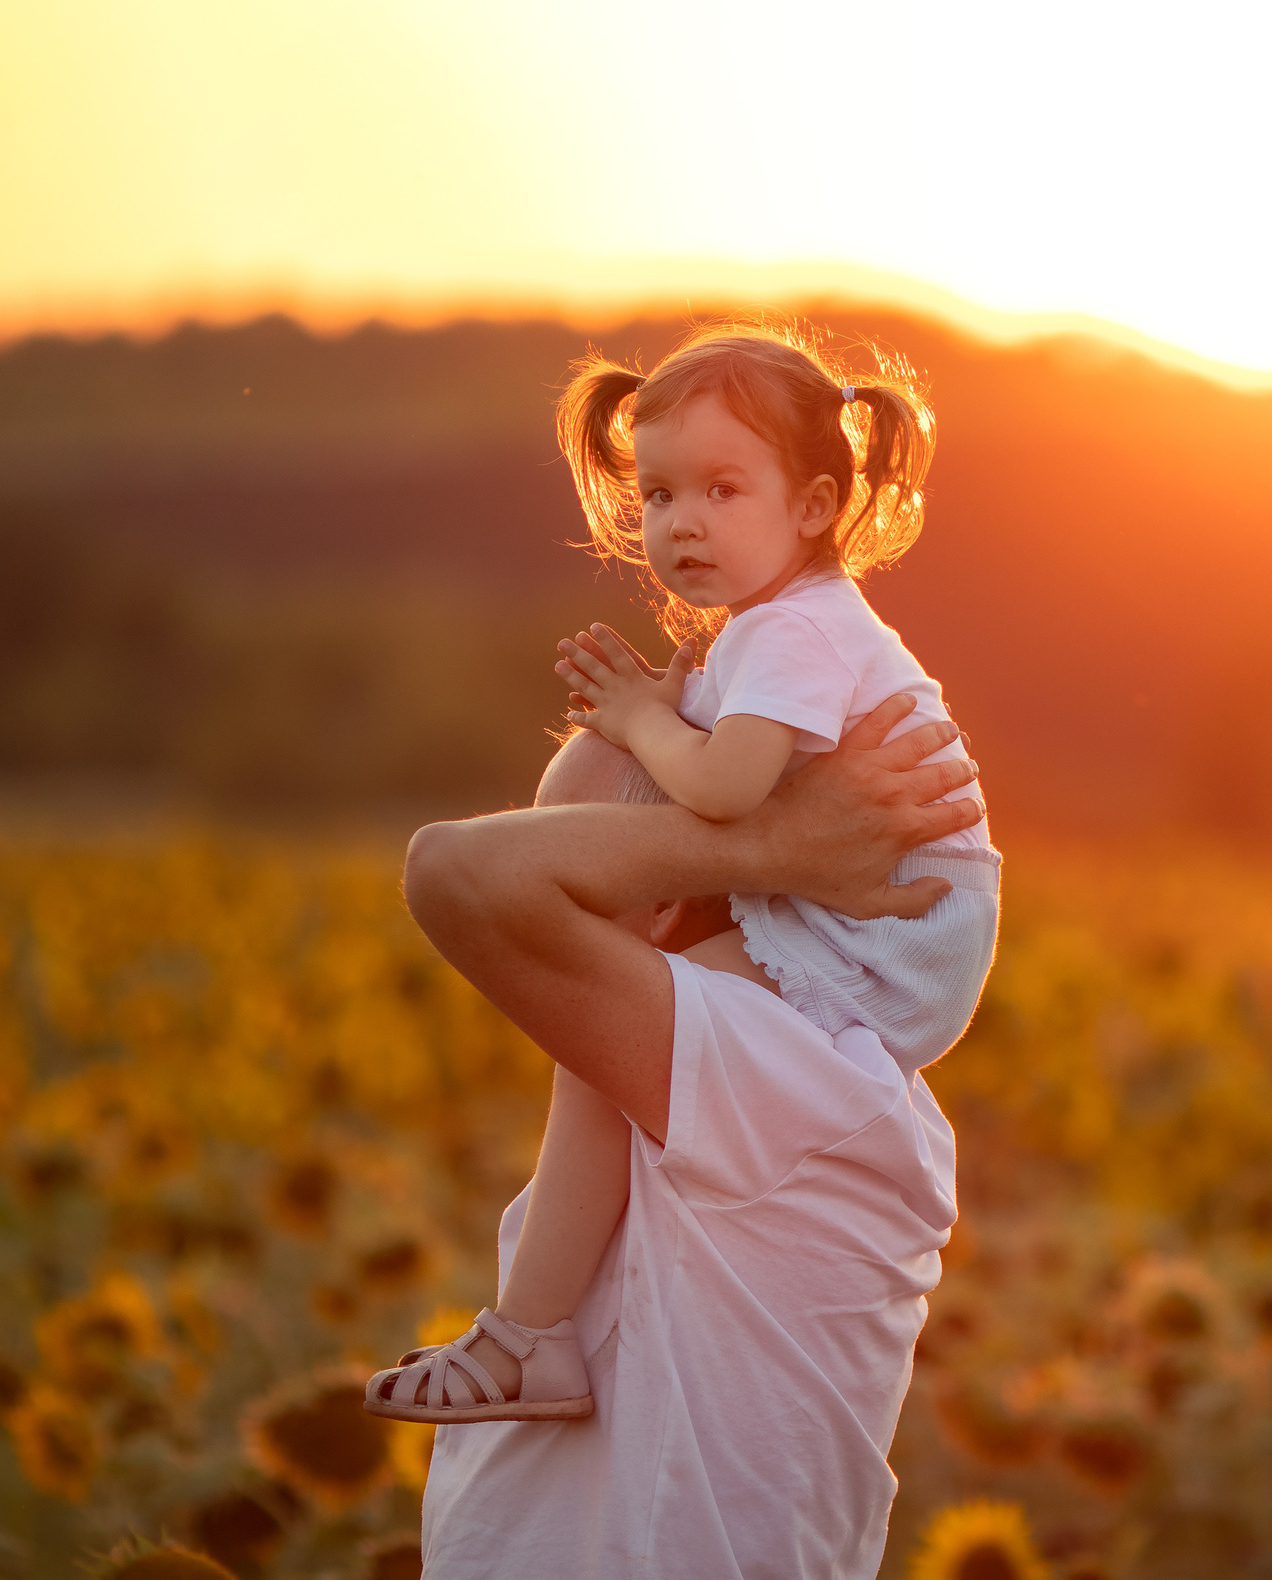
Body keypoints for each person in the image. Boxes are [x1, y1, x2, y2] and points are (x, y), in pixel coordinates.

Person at [367, 325, 1000, 1427]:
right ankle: (534, 1334)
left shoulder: (794, 633)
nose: (683, 523)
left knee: (599, 1053)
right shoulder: (772, 627)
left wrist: (639, 722)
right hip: (865, 930)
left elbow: (723, 791)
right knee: (602, 1038)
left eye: (720, 488)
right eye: (659, 495)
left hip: (877, 948)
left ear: (810, 508)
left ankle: (528, 1337)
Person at [405, 699, 983, 1575]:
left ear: (664, 894)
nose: (550, 874)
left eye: (572, 848)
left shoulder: (783, 1065)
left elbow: (457, 874)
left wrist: (772, 845)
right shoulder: (711, 1073)